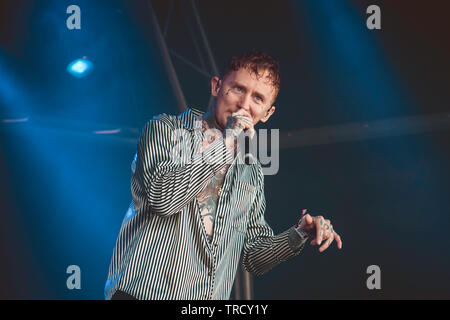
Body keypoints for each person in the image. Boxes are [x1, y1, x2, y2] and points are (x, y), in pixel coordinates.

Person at [105, 51, 342, 300]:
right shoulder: (165, 129)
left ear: (267, 114)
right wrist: (227, 143)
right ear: (216, 86)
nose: (244, 105)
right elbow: (164, 200)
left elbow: (254, 258)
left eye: (258, 98)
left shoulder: (251, 171)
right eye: (238, 89)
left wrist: (299, 233)